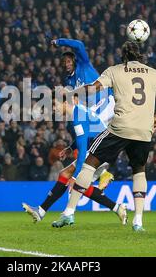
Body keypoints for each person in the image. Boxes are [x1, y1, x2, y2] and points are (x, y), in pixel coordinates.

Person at [51, 41, 156, 231]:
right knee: (139, 170)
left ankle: (68, 213)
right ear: (140, 55)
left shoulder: (115, 70)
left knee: (89, 164)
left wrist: (72, 92)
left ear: (123, 55)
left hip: (120, 127)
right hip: (144, 130)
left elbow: (93, 88)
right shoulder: (153, 73)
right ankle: (138, 221)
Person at [23, 95, 127, 225]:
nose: (54, 109)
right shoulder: (79, 111)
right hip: (106, 148)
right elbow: (87, 136)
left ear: (66, 103)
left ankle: (44, 212)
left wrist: (75, 176)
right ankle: (117, 208)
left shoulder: (78, 116)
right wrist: (70, 149)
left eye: (55, 105)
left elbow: (83, 150)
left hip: (102, 150)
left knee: (67, 175)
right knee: (81, 185)